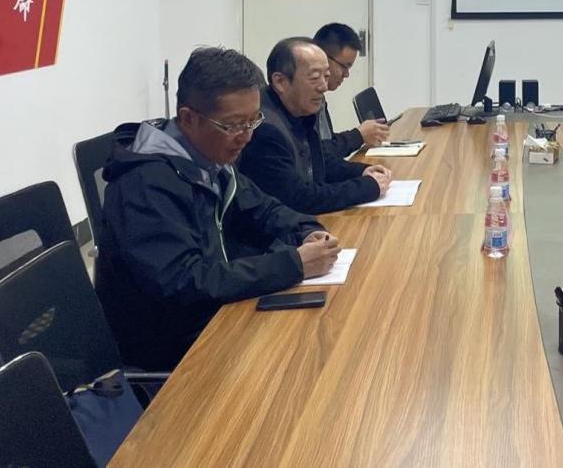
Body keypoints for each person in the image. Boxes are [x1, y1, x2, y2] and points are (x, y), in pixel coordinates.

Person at [96, 47, 341, 370]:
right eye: (234, 125)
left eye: (253, 120)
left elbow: (262, 207)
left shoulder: (209, 156)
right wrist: (293, 264)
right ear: (188, 118)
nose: (247, 136)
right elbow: (186, 280)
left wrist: (305, 231)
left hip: (219, 314)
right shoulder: (145, 184)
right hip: (178, 348)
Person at [239, 37, 392, 215]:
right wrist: (367, 187)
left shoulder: (300, 110)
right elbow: (299, 198)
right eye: (314, 78)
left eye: (326, 76)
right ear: (280, 82)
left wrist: (362, 171)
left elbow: (318, 160)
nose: (324, 87)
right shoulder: (265, 130)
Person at [313, 22, 388, 158]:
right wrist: (358, 135)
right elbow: (319, 155)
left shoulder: (320, 97)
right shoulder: (303, 102)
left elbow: (327, 144)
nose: (346, 74)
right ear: (322, 57)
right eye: (344, 66)